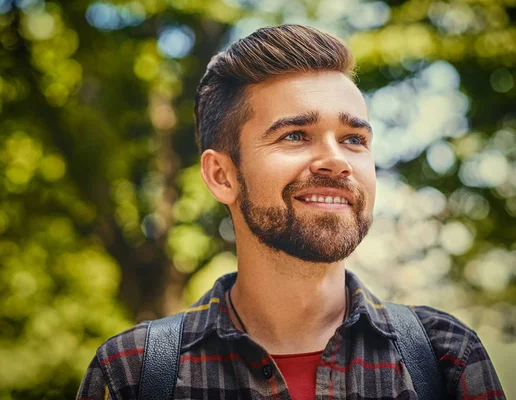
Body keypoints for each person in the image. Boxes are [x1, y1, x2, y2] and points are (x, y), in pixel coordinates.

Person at [77, 24, 504, 399]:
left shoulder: (445, 357)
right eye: (296, 135)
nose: (336, 160)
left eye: (354, 139)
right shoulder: (133, 372)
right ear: (222, 176)